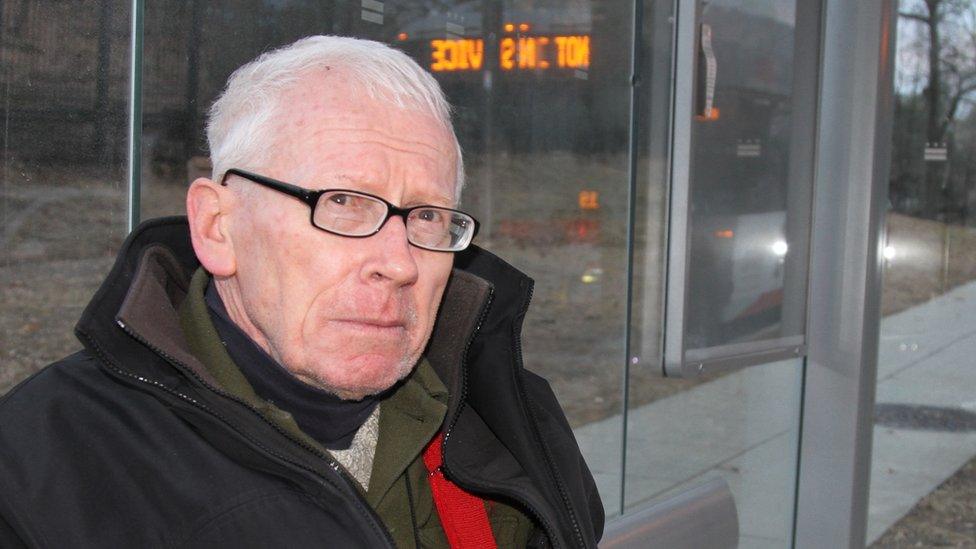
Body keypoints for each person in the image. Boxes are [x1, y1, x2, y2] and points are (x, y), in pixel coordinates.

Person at [0, 36, 603, 548]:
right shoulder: (43, 467)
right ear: (218, 227)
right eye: (340, 202)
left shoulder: (508, 414)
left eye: (425, 217)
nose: (398, 264)